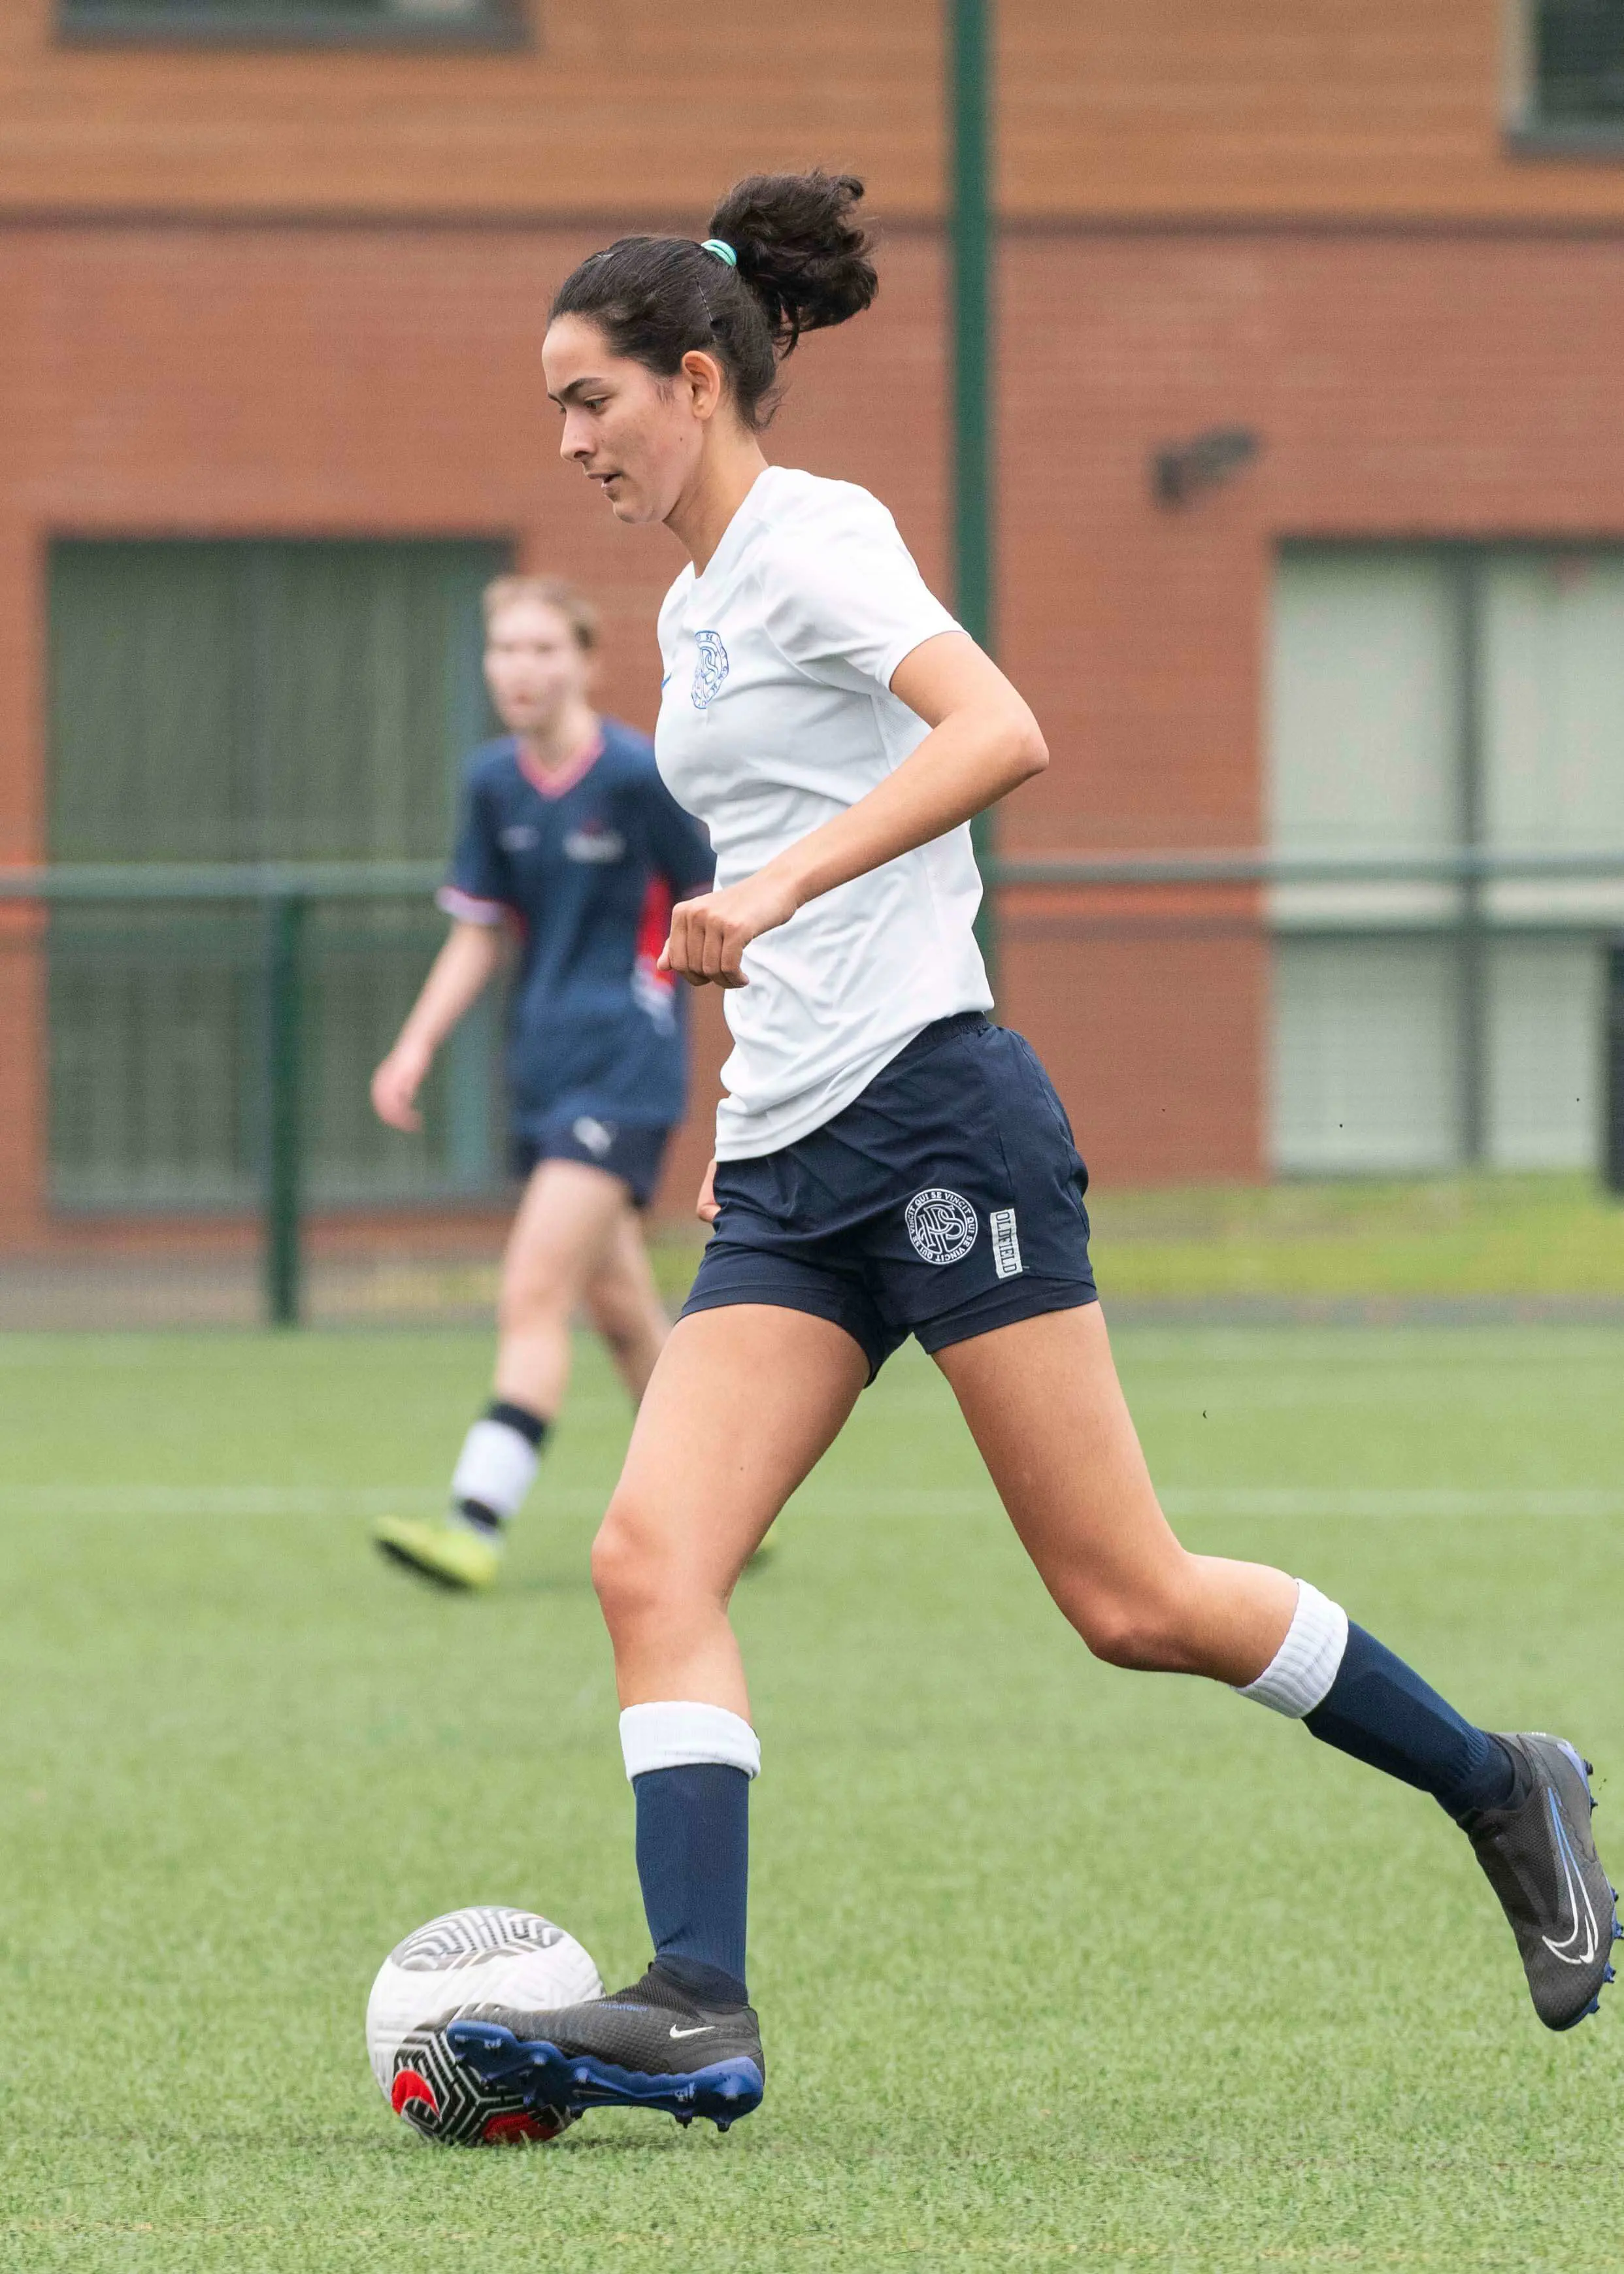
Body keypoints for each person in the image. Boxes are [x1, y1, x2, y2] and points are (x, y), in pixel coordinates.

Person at [444, 172, 1618, 2124]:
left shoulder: (818, 540)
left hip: (935, 1115)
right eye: (554, 411)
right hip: (789, 1164)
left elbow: (998, 728)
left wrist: (793, 887)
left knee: (1126, 1599)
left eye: (590, 401)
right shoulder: (691, 604)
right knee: (649, 1556)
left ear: (696, 378)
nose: (568, 444)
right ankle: (698, 2001)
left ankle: (1507, 1781)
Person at [369, 574, 714, 1591]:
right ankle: (726, 1495)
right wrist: (415, 1045)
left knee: (531, 1291)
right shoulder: (493, 783)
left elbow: (716, 905)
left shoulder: (640, 776)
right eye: (504, 651)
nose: (520, 670)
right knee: (622, 1316)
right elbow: (479, 932)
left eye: (542, 650)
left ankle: (474, 1522)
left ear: (584, 661)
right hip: (545, 1069)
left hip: (626, 1069)